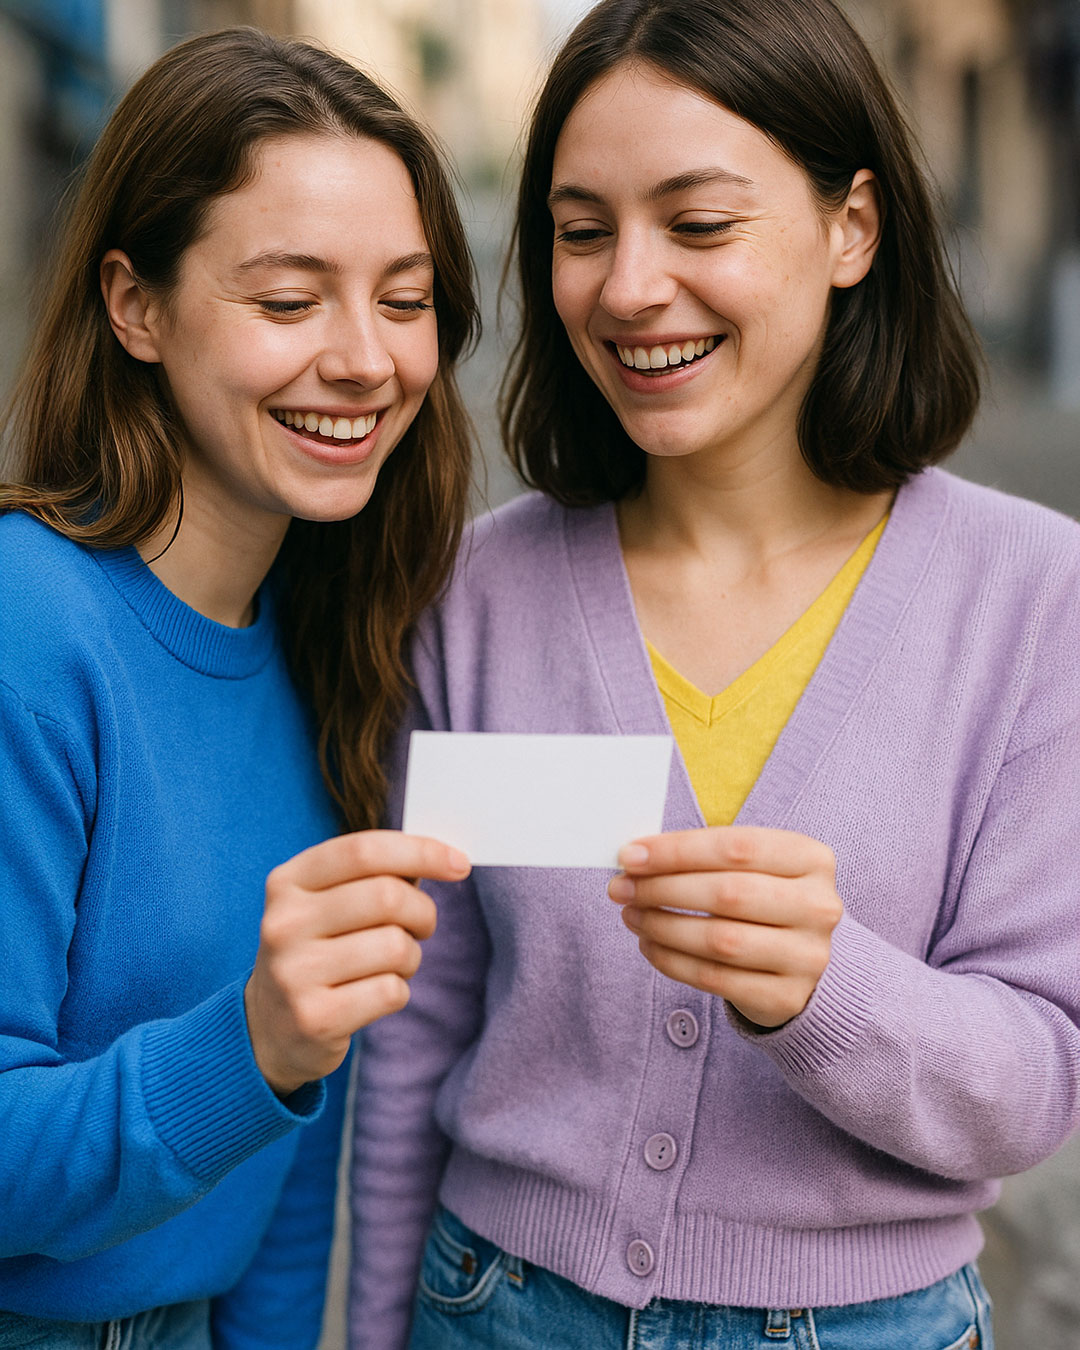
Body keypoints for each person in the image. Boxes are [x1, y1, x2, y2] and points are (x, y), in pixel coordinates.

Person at [348, 0, 1080, 1346]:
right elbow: (414, 1042)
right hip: (493, 1306)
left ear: (852, 228)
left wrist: (829, 988)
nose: (628, 286)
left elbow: (1039, 1083)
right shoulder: (478, 596)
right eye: (581, 230)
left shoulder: (1034, 600)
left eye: (698, 224)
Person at [0, 26, 477, 1350]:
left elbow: (291, 1144)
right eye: (288, 301)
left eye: (404, 295)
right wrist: (253, 1042)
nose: (366, 358)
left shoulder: (334, 634)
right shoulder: (27, 626)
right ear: (133, 305)